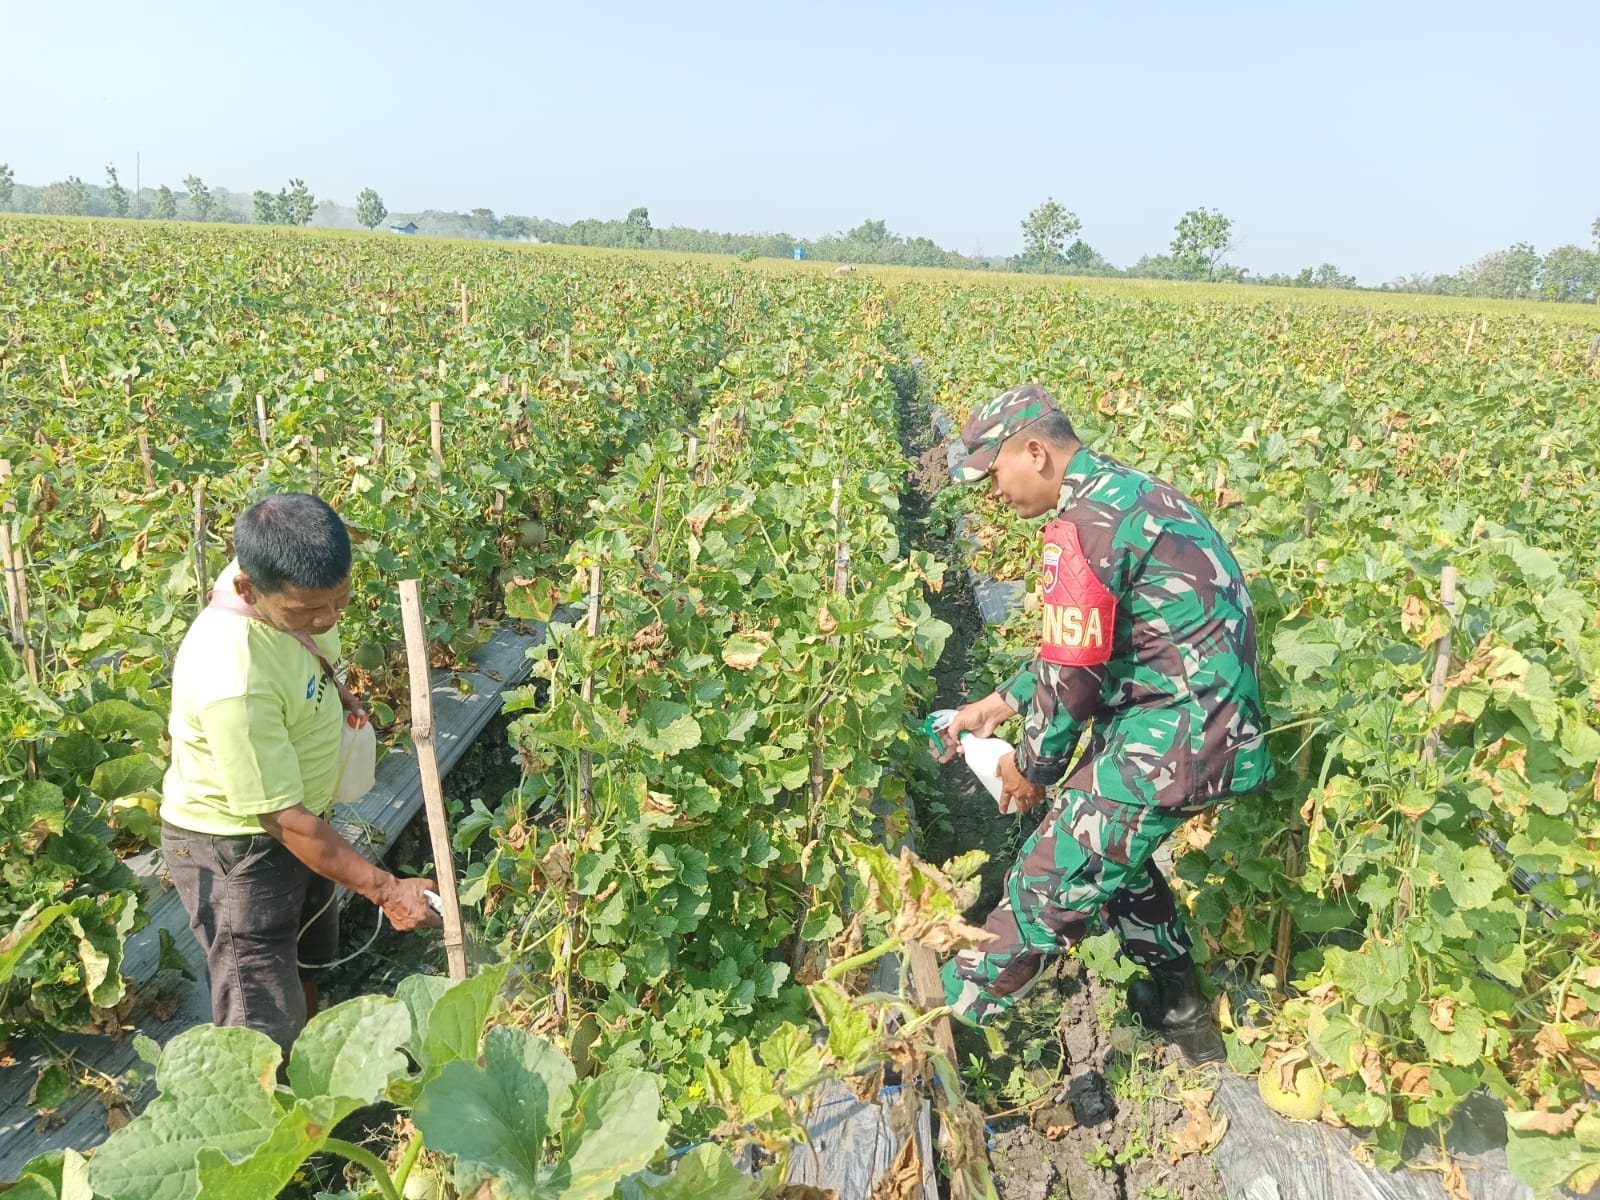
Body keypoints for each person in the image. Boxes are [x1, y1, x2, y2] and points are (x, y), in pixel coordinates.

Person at [936, 383, 1272, 1063]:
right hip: (1214, 730)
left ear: (1035, 452)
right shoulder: (1130, 493)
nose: (992, 494)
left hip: (1174, 739)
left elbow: (1072, 678)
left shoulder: (1080, 528)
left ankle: (932, 1036)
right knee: (1115, 859)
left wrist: (1028, 771)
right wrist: (997, 705)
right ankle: (1181, 1013)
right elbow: (1101, 642)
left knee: (1044, 883)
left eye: (993, 474)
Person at [160, 492, 438, 1058]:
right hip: (237, 849)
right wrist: (386, 890)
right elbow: (280, 817)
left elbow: (309, 645)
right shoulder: (231, 677)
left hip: (306, 826)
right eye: (309, 611)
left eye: (340, 600)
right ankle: (275, 1135)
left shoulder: (283, 570)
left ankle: (317, 1087)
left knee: (310, 958)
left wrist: (338, 696)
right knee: (260, 1016)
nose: (329, 618)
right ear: (247, 591)